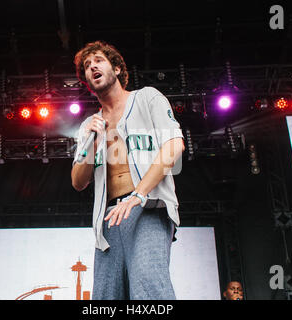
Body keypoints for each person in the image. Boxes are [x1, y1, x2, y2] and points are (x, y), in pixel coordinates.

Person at [71, 40, 185, 300]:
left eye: (98, 60)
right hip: (109, 219)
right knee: (105, 299)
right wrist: (92, 144)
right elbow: (78, 181)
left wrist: (139, 194)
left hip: (148, 208)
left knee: (149, 289)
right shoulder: (90, 125)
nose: (92, 67)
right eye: (87, 66)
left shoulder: (147, 98)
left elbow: (174, 146)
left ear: (118, 69)